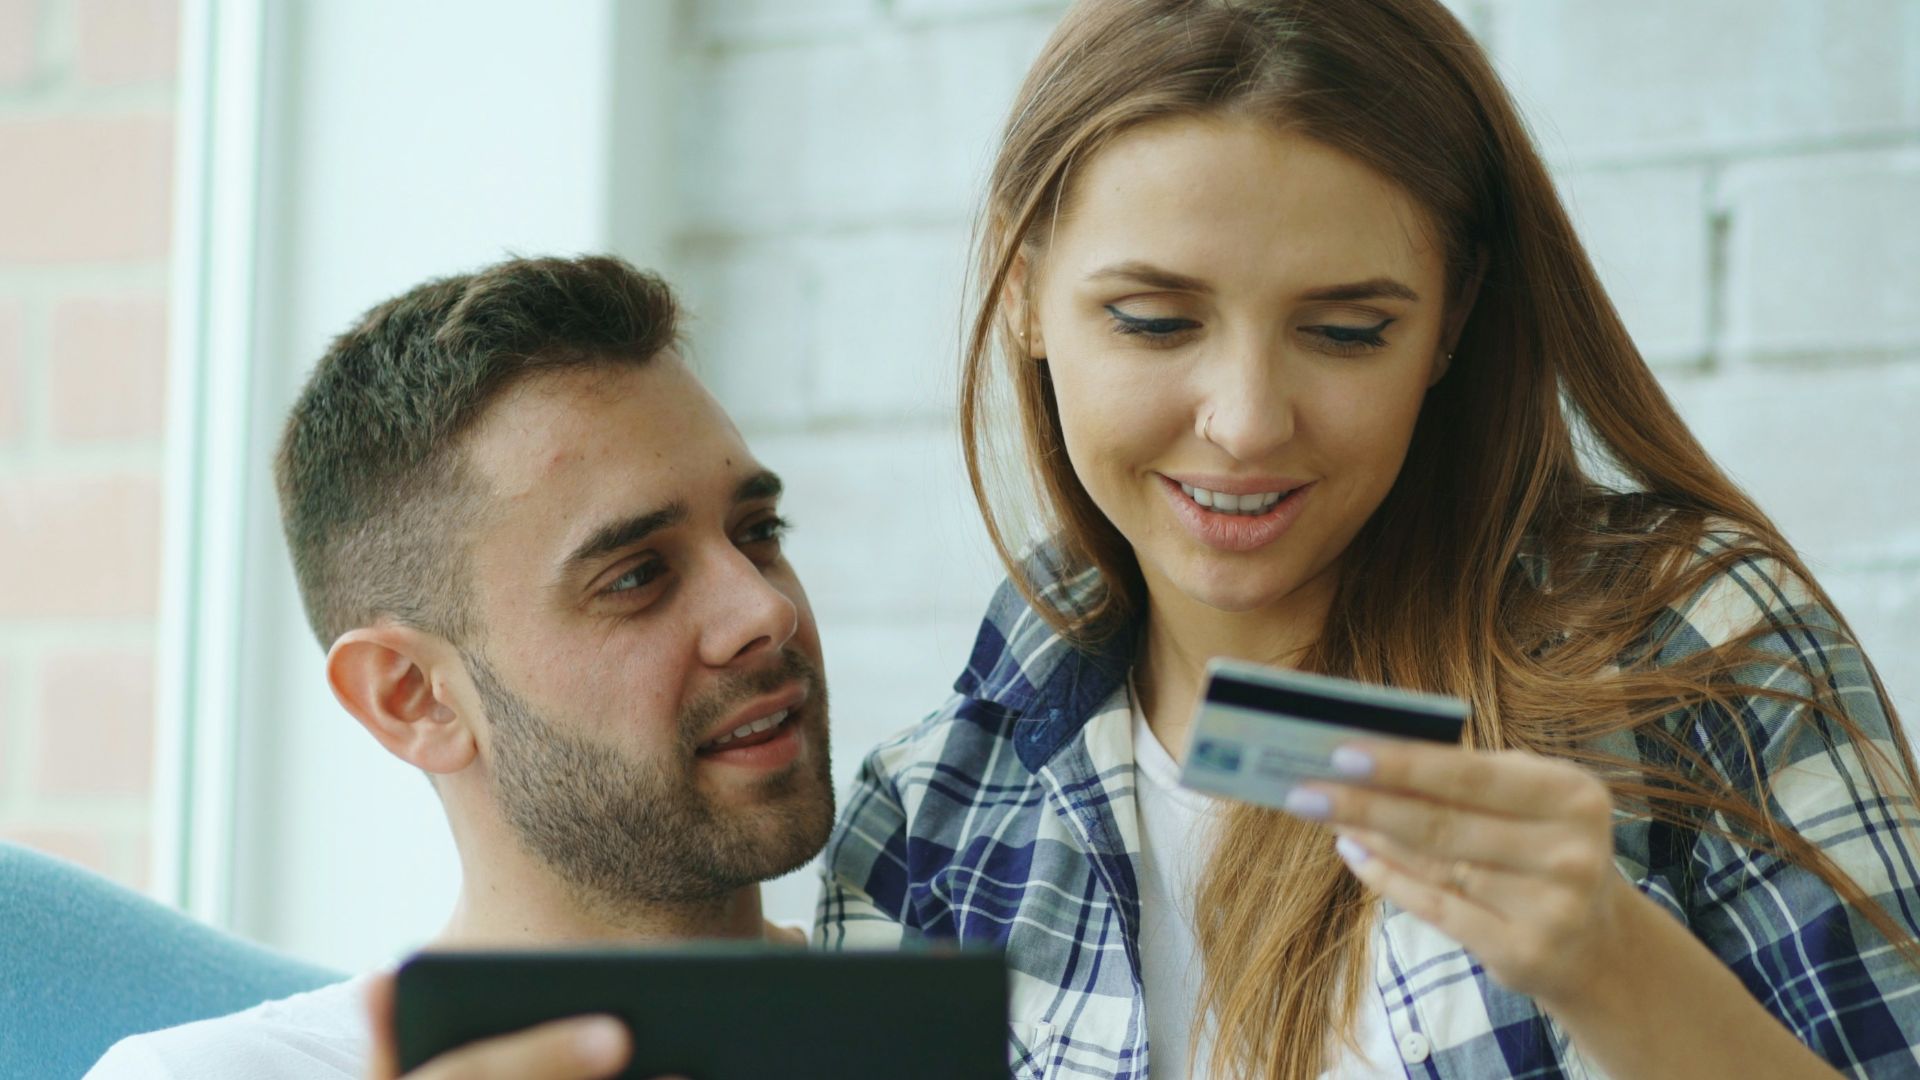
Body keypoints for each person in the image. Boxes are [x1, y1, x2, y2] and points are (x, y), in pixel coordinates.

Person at [817, 1, 1920, 1078]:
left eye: (1348, 333)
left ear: (1451, 318)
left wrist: (1613, 964)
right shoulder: (930, 813)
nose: (1247, 422)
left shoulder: (1693, 645)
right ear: (1023, 291)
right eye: (1155, 321)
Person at [89, 255, 832, 1080]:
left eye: (758, 531)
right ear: (412, 699)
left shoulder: (978, 1027)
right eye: (634, 576)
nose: (765, 612)